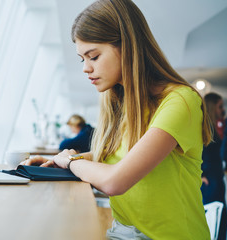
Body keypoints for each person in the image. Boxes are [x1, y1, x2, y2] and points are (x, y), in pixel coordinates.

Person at [21, 0, 213, 239]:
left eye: (94, 56)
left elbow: (115, 181)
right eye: (83, 59)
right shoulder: (119, 102)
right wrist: (58, 161)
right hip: (123, 232)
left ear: (128, 46)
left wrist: (70, 162)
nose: (85, 68)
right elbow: (117, 155)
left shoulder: (180, 101)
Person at [202, 92, 227, 240]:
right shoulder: (206, 128)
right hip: (209, 177)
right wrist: (201, 175)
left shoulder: (219, 126)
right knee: (213, 214)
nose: (222, 109)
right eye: (219, 106)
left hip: (217, 175)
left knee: (221, 211)